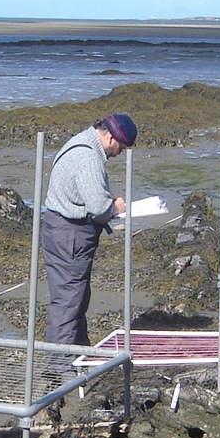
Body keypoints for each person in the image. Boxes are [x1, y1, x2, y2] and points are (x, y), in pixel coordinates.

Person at [42, 113, 136, 351]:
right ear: (112, 139)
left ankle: (80, 352)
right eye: (121, 149)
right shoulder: (88, 158)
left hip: (58, 228)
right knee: (68, 301)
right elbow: (98, 208)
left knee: (75, 297)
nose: (119, 154)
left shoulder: (78, 142)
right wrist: (115, 206)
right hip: (70, 234)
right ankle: (59, 368)